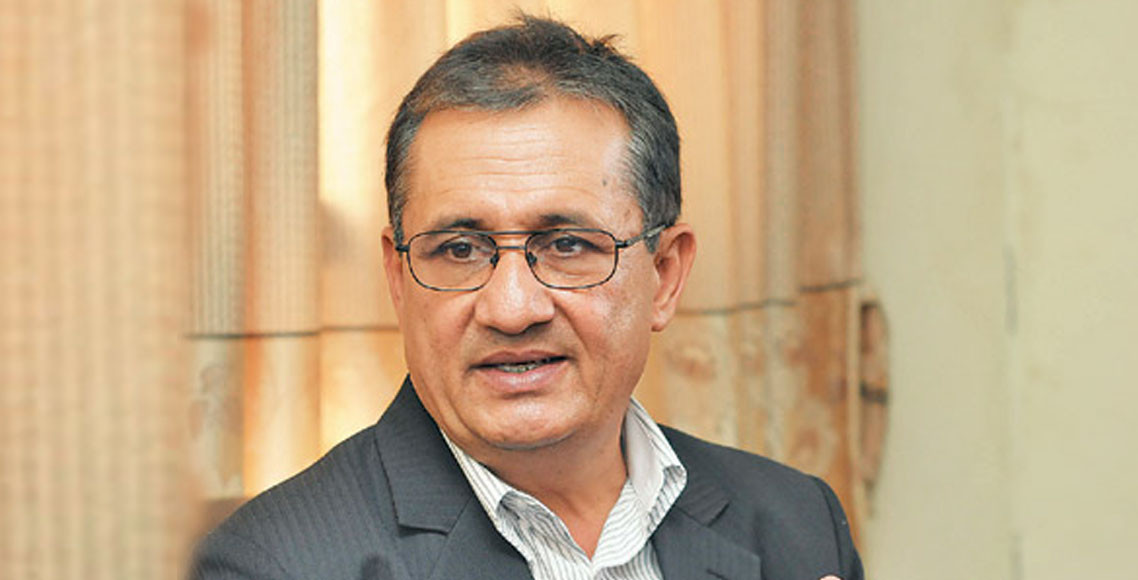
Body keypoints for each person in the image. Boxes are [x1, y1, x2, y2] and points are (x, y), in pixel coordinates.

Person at [190, 14, 863, 580]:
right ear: (398, 278)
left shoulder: (796, 522)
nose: (511, 309)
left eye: (567, 245)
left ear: (665, 274)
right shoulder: (272, 564)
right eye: (459, 249)